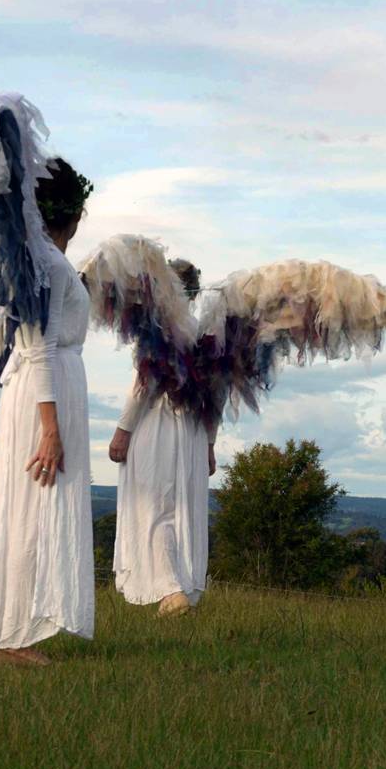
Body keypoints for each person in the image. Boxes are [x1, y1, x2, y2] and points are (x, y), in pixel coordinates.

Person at [0, 158, 96, 667]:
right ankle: (13, 636)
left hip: (42, 386)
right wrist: (50, 429)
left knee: (33, 505)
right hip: (43, 392)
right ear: (70, 212)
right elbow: (39, 344)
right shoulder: (46, 260)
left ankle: (18, 628)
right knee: (31, 506)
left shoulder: (40, 257)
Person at [108, 258, 216, 617]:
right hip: (194, 432)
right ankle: (176, 588)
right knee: (179, 508)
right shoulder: (206, 335)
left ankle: (171, 590)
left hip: (159, 426)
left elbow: (144, 383)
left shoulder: (162, 330)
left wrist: (123, 430)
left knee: (155, 508)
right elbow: (218, 395)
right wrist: (211, 444)